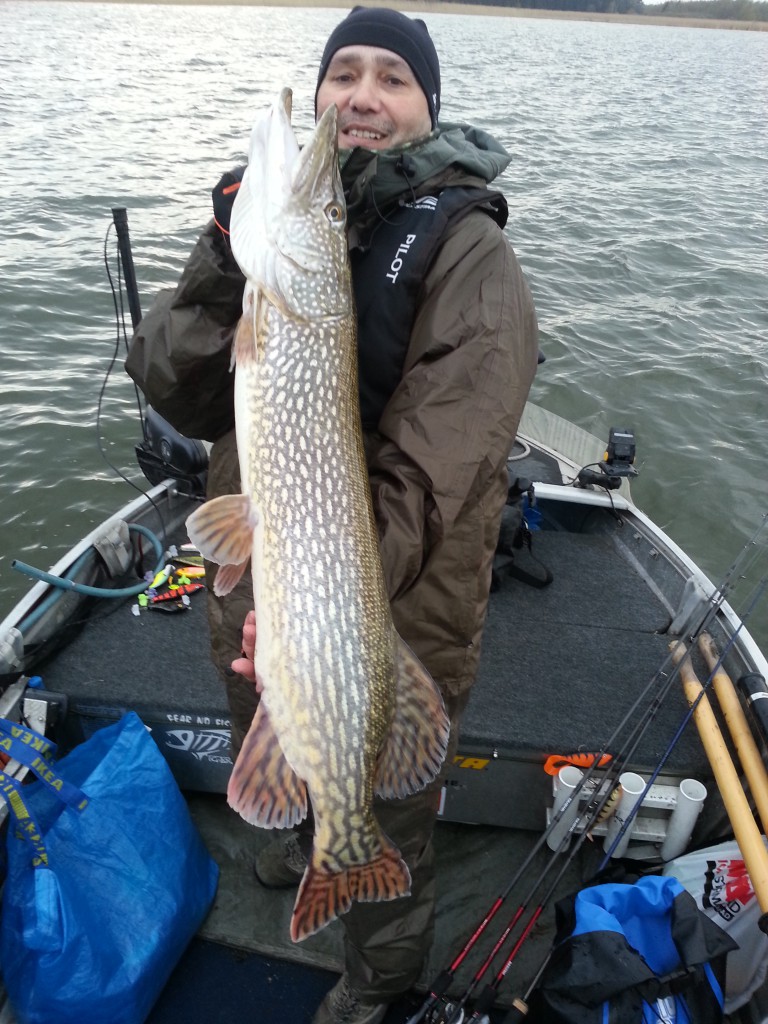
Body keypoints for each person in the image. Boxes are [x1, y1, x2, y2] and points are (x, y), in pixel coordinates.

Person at [125, 7, 539, 1023]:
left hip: (391, 603)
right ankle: (290, 833)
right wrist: (227, 254)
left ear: (427, 107)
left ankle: (377, 973)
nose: (358, 95)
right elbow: (172, 386)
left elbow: (431, 480)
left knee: (382, 806)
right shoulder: (276, 245)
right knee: (266, 731)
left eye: (391, 78)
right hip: (265, 581)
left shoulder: (472, 261)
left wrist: (315, 612)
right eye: (341, 73)